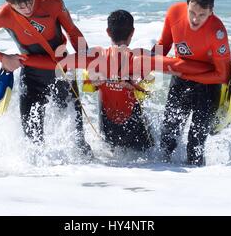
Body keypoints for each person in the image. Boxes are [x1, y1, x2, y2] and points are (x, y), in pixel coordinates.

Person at [0, 0, 93, 158]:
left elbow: (72, 30)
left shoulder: (53, 2)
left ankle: (86, 171)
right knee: (32, 139)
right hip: (32, 75)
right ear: (10, 4)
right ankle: (34, 180)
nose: (27, 8)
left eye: (30, 2)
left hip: (62, 70)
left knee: (77, 134)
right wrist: (3, 58)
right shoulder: (2, 15)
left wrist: (84, 56)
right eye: (21, 6)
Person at [59, 10, 214, 152]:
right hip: (138, 135)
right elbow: (178, 66)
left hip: (108, 133)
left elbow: (62, 65)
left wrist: (92, 80)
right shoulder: (141, 59)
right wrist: (212, 68)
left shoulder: (94, 58)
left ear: (107, 32)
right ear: (132, 32)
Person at [153, 0, 231, 166]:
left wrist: (186, 73)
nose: (195, 19)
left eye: (202, 15)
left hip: (208, 87)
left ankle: (196, 188)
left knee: (195, 145)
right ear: (187, 5)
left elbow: (222, 75)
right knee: (167, 139)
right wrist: (146, 63)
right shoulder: (174, 13)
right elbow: (162, 47)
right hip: (180, 80)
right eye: (192, 13)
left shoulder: (217, 32)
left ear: (211, 12)